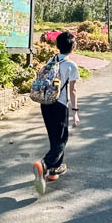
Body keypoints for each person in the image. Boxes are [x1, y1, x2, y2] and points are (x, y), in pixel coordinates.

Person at [33, 31, 80, 194]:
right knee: (62, 139)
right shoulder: (71, 66)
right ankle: (44, 164)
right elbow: (72, 91)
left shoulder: (50, 60)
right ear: (73, 47)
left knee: (54, 137)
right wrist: (75, 111)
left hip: (45, 104)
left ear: (57, 46)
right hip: (60, 105)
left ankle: (54, 170)